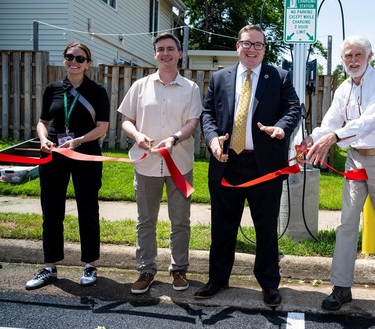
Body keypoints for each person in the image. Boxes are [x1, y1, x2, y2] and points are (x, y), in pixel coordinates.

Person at [300, 36, 375, 311]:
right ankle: (341, 287)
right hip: (355, 159)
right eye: (347, 56)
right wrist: (312, 139)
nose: (352, 60)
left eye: (357, 54)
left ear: (369, 55)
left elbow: (369, 120)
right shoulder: (342, 89)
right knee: (347, 223)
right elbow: (331, 122)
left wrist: (334, 137)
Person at [197, 24, 301, 308]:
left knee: (265, 229)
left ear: (265, 49)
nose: (252, 49)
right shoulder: (219, 78)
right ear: (237, 45)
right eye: (247, 43)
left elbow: (294, 108)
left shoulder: (278, 77)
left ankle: (268, 284)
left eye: (258, 44)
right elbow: (208, 114)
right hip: (226, 163)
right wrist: (212, 140)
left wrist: (281, 129)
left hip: (264, 166)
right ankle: (218, 278)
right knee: (222, 227)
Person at [118, 33, 202, 294]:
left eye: (170, 49)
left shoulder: (191, 88)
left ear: (179, 53)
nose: (165, 54)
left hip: (179, 165)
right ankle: (146, 270)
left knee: (180, 221)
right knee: (146, 220)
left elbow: (192, 122)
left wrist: (174, 138)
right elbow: (126, 120)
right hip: (146, 166)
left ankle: (179, 269)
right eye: (160, 49)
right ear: (154, 54)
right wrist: (136, 134)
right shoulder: (140, 86)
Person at [25, 42, 110, 290]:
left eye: (80, 58)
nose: (74, 61)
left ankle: (90, 265)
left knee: (87, 208)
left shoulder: (97, 91)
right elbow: (43, 121)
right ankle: (50, 267)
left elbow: (102, 127)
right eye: (69, 56)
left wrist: (80, 140)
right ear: (64, 59)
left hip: (86, 154)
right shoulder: (52, 89)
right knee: (51, 210)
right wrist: (43, 138)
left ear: (88, 63)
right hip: (53, 155)